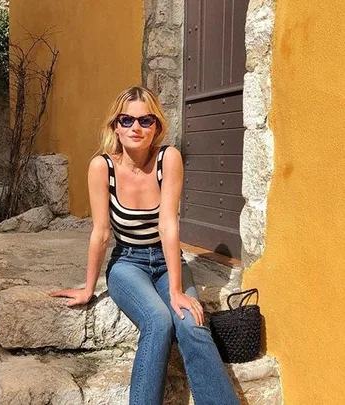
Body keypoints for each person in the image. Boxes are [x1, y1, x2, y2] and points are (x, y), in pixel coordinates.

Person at [50, 86, 239, 405]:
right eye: (126, 120)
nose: (135, 128)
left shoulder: (169, 158)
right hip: (128, 264)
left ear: (157, 126)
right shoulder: (102, 167)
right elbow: (100, 232)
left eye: (145, 120)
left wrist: (177, 290)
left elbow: (168, 225)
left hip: (168, 263)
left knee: (191, 324)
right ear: (115, 126)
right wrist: (87, 287)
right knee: (158, 320)